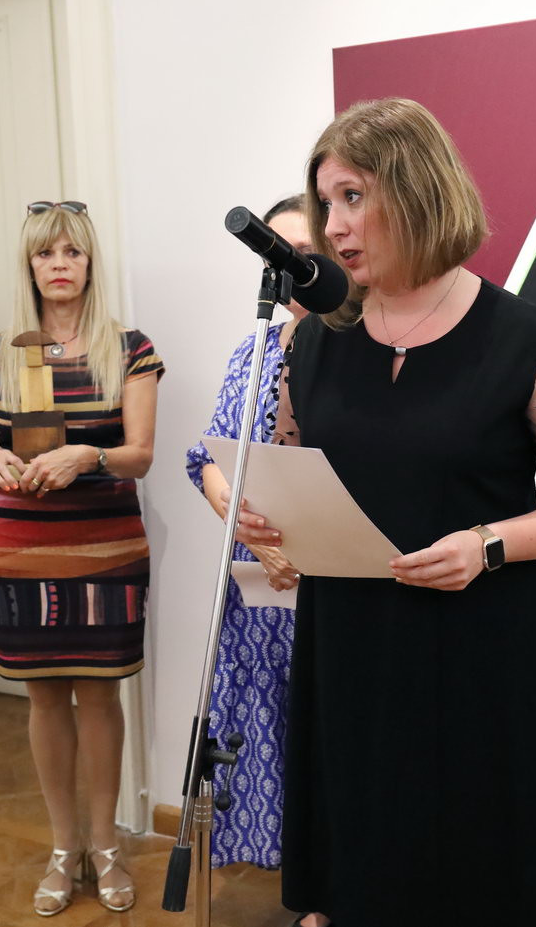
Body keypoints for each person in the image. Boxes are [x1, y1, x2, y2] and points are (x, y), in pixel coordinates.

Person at [233, 99, 536, 927]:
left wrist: (488, 543)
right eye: (325, 202)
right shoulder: (312, 341)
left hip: (480, 656)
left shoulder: (523, 337)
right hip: (351, 655)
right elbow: (292, 473)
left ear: (416, 192)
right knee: (364, 876)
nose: (333, 225)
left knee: (481, 880)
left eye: (353, 197)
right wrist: (265, 522)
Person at [0, 200, 162, 917]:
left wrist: (89, 455)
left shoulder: (128, 348)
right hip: (21, 548)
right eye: (46, 253)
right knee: (44, 696)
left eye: (72, 251)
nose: (59, 265)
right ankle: (63, 845)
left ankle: (105, 845)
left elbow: (140, 454)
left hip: (106, 548)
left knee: (101, 694)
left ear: (90, 261)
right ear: (30, 264)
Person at [185, 195, 310, 869]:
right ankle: (304, 890)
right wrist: (235, 513)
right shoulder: (252, 349)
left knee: (330, 739)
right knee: (269, 734)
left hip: (326, 585)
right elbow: (207, 455)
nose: (288, 271)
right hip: (256, 593)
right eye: (275, 257)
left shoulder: (368, 352)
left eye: (304, 255)